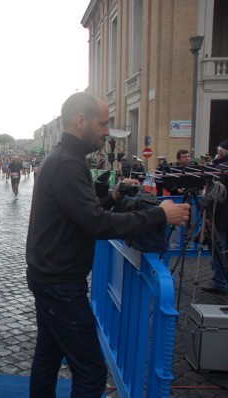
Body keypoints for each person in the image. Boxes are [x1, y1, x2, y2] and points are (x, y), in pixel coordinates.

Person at [25, 92, 190, 397]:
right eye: (102, 123)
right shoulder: (67, 163)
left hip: (49, 276)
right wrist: (159, 214)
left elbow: (80, 212)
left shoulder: (65, 158)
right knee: (91, 372)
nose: (105, 130)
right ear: (80, 121)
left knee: (47, 357)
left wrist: (111, 198)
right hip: (59, 283)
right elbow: (98, 224)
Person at [201, 139, 228, 295]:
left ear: (220, 152)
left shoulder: (219, 169)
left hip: (220, 216)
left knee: (218, 248)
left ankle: (220, 281)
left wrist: (208, 215)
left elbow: (213, 196)